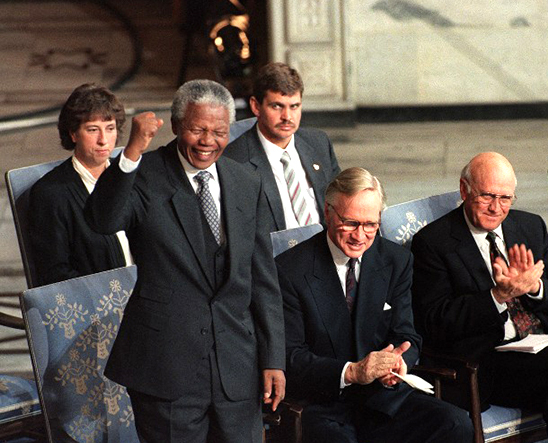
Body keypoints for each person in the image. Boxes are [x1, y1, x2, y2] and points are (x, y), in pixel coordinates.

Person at [84, 79, 285, 442]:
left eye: (219, 131)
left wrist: (274, 358)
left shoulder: (246, 180)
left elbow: (263, 279)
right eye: (197, 129)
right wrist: (131, 152)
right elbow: (103, 220)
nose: (208, 141)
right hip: (166, 370)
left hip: (237, 368)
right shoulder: (143, 175)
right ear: (177, 125)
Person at [410, 152, 548, 443]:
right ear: (465, 190)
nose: (496, 207)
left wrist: (534, 287)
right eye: (487, 196)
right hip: (485, 365)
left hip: (541, 355)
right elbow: (434, 322)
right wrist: (496, 296)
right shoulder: (433, 242)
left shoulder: (529, 227)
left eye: (505, 198)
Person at [276, 167, 474, 443]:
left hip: (383, 397)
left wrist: (398, 362)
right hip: (324, 404)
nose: (360, 235)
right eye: (350, 223)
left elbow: (407, 335)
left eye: (371, 225)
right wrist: (353, 372)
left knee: (455, 424)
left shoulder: (396, 261)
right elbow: (291, 357)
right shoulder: (290, 270)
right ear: (328, 212)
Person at [28, 83, 134, 286]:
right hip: (97, 305)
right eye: (93, 130)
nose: (103, 140)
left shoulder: (131, 177)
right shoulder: (50, 194)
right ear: (73, 134)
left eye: (110, 128)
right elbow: (54, 273)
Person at [225, 62, 340, 231]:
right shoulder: (233, 160)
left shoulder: (319, 143)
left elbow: (340, 203)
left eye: (294, 106)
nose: (287, 116)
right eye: (277, 106)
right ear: (256, 106)